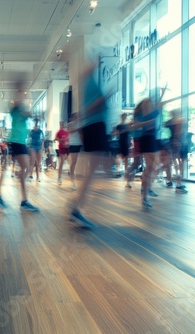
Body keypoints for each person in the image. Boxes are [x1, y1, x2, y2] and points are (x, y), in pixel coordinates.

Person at [69, 62, 110, 228]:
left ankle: (76, 206)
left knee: (94, 171)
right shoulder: (89, 83)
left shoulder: (89, 83)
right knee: (93, 172)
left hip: (94, 127)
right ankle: (76, 208)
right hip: (95, 126)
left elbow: (84, 111)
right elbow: (89, 109)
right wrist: (105, 98)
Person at [0, 80, 39, 211]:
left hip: (19, 141)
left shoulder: (20, 108)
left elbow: (28, 114)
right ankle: (22, 200)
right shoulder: (15, 108)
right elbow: (26, 112)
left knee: (21, 168)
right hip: (16, 141)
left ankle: (18, 198)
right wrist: (21, 91)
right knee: (21, 168)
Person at [136, 86, 167, 208]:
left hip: (152, 140)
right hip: (147, 140)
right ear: (144, 105)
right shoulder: (142, 115)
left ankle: (146, 190)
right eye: (148, 102)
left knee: (152, 167)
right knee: (151, 166)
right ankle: (145, 195)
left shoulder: (154, 112)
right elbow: (138, 125)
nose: (151, 103)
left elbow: (159, 103)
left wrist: (162, 93)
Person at [165, 108, 189, 193]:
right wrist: (177, 141)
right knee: (177, 164)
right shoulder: (179, 121)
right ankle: (178, 185)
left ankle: (172, 181)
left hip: (175, 143)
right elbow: (177, 133)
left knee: (174, 164)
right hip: (177, 143)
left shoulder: (170, 122)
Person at [112, 113, 131, 187]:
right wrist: (118, 132)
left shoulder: (128, 125)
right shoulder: (118, 126)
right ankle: (119, 170)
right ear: (121, 117)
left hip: (126, 142)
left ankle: (126, 172)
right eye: (123, 116)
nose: (124, 117)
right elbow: (115, 134)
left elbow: (130, 132)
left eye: (125, 116)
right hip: (121, 142)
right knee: (119, 157)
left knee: (126, 158)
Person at [67, 113, 82, 190]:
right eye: (75, 116)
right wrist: (78, 129)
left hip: (78, 144)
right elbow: (69, 130)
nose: (76, 118)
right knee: (73, 161)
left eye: (77, 116)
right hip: (72, 144)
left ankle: (71, 174)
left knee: (75, 162)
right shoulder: (70, 124)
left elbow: (80, 134)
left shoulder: (79, 124)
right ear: (72, 117)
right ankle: (72, 178)